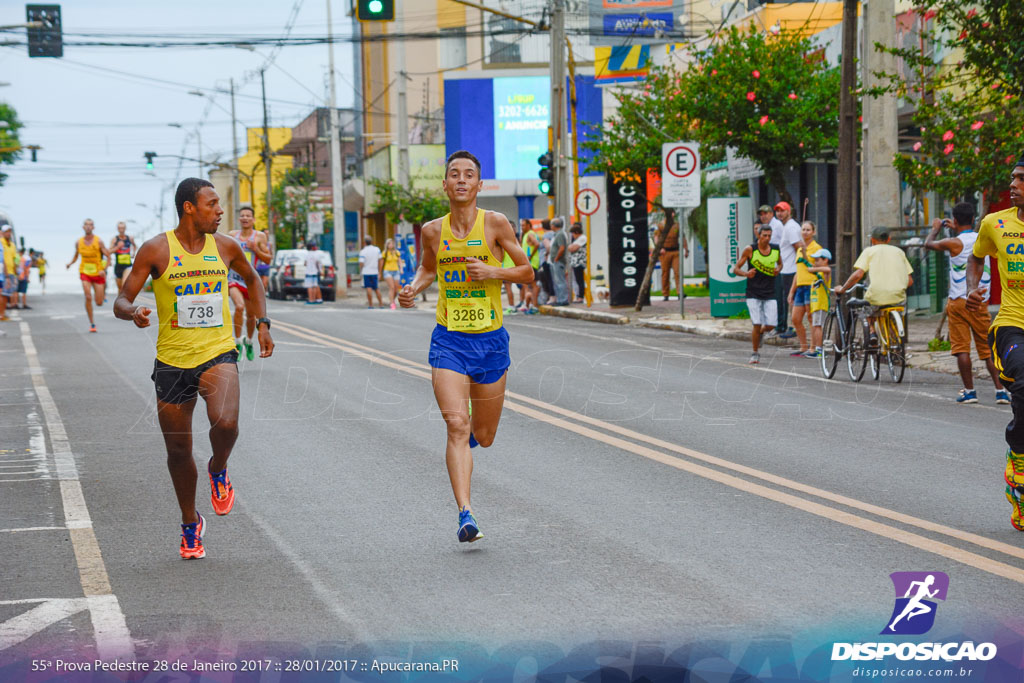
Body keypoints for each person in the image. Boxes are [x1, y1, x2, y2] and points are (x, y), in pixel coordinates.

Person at [113, 178, 274, 559]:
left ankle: (219, 467)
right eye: (212, 204)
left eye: (220, 204)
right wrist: (133, 311)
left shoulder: (226, 247)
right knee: (178, 449)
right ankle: (190, 524)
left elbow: (252, 280)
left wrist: (263, 323)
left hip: (217, 352)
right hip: (171, 361)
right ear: (189, 208)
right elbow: (121, 298)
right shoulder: (155, 250)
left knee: (227, 423)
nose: (220, 211)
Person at [397, 150, 533, 543]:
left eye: (468, 174)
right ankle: (465, 514)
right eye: (453, 174)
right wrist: (413, 289)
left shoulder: (495, 224)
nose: (460, 179)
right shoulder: (432, 230)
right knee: (456, 424)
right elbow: (428, 267)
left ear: (478, 184)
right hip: (449, 339)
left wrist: (495, 271)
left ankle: (473, 438)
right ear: (444, 185)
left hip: (490, 341)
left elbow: (526, 271)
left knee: (483, 435)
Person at [967, 157, 1024, 531]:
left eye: (1021, 178)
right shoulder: (995, 222)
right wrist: (973, 288)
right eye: (1013, 177)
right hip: (1012, 325)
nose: (1013, 183)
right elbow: (975, 259)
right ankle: (1018, 454)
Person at [925, 205, 1007, 404]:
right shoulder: (983, 238)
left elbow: (929, 244)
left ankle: (969, 391)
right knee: (987, 349)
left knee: (962, 348)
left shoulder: (953, 243)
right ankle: (1001, 391)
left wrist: (936, 227)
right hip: (980, 300)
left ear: (954, 219)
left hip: (959, 301)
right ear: (973, 218)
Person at [832, 227, 914, 338]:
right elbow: (910, 281)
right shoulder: (899, 252)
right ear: (889, 239)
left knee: (866, 309)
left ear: (873, 240)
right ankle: (894, 342)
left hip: (876, 295)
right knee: (893, 318)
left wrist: (843, 289)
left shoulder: (869, 251)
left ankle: (872, 333)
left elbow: (858, 274)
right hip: (897, 297)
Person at [226, 206, 272, 361]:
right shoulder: (232, 236)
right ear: (239, 219)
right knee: (239, 307)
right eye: (242, 215)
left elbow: (268, 259)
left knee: (251, 316)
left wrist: (256, 250)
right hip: (234, 279)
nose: (245, 218)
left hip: (250, 280)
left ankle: (249, 341)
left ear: (253, 219)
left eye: (248, 216)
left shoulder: (259, 237)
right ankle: (238, 341)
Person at [730, 224, 780, 364]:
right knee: (756, 322)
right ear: (758, 235)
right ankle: (755, 353)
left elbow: (780, 264)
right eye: (764, 235)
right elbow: (736, 269)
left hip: (769, 291)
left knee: (771, 325)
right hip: (753, 291)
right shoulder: (750, 249)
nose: (767, 238)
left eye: (769, 235)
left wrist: (778, 269)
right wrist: (746, 273)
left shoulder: (775, 249)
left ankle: (761, 332)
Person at [66, 218, 111, 333]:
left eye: (90, 225)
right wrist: (70, 264)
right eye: (86, 225)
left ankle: (100, 296)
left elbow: (108, 256)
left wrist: (104, 270)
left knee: (99, 302)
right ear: (83, 227)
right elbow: (76, 256)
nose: (88, 227)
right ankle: (92, 323)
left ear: (93, 227)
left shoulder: (99, 241)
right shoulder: (79, 242)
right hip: (84, 272)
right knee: (88, 297)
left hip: (98, 273)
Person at [787, 221, 824, 356]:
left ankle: (813, 348)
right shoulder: (799, 249)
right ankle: (803, 346)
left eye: (808, 230)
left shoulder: (817, 248)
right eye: (803, 229)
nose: (805, 232)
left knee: (810, 317)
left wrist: (804, 253)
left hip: (812, 285)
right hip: (800, 287)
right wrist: (792, 290)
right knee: (796, 318)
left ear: (813, 232)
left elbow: (814, 267)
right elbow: (798, 271)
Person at [773, 202, 802, 339]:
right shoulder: (787, 226)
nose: (779, 213)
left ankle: (792, 327)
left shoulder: (791, 227)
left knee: (791, 299)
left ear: (789, 211)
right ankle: (790, 326)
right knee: (788, 299)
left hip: (791, 270)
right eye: (777, 211)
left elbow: (798, 247)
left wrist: (800, 266)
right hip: (786, 270)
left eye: (782, 210)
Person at [653, 212, 689, 301]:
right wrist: (659, 248)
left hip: (676, 251)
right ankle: (665, 294)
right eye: (670, 213)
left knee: (678, 272)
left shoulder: (677, 225)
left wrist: (686, 249)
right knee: (665, 273)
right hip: (665, 252)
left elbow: (683, 237)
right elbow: (656, 237)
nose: (671, 215)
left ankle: (680, 293)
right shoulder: (661, 225)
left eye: (672, 213)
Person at [805, 247, 833, 357]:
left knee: (818, 326)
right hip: (815, 305)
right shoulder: (818, 273)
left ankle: (819, 349)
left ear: (825, 260)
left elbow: (828, 270)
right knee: (816, 326)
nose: (815, 263)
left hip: (821, 304)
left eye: (818, 260)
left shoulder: (824, 272)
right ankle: (818, 348)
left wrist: (813, 269)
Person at [517, 218, 540, 313]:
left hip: (531, 264)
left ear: (529, 225)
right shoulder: (525, 234)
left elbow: (537, 244)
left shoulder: (530, 234)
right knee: (527, 284)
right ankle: (528, 304)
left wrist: (530, 256)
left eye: (523, 225)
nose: (522, 227)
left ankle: (534, 306)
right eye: (521, 225)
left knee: (533, 285)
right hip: (528, 264)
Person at [548, 217, 571, 306]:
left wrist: (556, 259)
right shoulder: (557, 234)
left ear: (554, 225)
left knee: (560, 281)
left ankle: (563, 299)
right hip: (555, 261)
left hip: (558, 261)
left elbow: (562, 248)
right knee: (557, 281)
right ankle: (559, 299)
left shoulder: (560, 234)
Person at [109, 221, 137, 294]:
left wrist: (133, 253)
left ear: (125, 228)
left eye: (123, 228)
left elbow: (134, 246)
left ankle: (124, 302)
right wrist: (117, 247)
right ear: (117, 229)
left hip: (128, 265)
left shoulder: (129, 238)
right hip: (118, 266)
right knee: (120, 288)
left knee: (124, 285)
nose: (121, 229)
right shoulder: (115, 239)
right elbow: (109, 251)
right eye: (120, 228)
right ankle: (120, 303)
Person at [358, 236, 383, 308]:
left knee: (368, 288)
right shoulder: (377, 249)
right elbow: (380, 260)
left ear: (364, 243)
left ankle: (371, 304)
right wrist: (379, 271)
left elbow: (361, 263)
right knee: (376, 288)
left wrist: (361, 270)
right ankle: (381, 304)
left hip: (366, 272)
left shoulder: (363, 251)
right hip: (375, 271)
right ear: (371, 242)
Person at [380, 238, 404, 309]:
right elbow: (381, 263)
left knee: (396, 289)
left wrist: (401, 269)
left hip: (396, 271)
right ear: (387, 245)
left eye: (392, 243)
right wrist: (380, 273)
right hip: (387, 271)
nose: (391, 245)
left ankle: (392, 299)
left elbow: (400, 261)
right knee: (392, 287)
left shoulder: (396, 252)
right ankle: (392, 303)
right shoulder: (385, 253)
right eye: (389, 244)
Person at [568, 222, 587, 302]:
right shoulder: (578, 239)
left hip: (579, 262)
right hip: (575, 262)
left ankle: (580, 297)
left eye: (573, 233)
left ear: (576, 232)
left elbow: (572, 248)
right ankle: (578, 296)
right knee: (577, 280)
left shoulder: (582, 238)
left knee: (580, 280)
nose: (572, 236)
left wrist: (571, 247)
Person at [0, 224, 16, 322]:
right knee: (3, 294)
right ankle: (1, 314)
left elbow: (14, 259)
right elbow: (3, 260)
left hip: (10, 272)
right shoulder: (1, 242)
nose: (8, 233)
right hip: (3, 272)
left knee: (6, 295)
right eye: (6, 231)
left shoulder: (12, 245)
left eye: (10, 231)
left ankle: (3, 313)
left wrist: (14, 274)